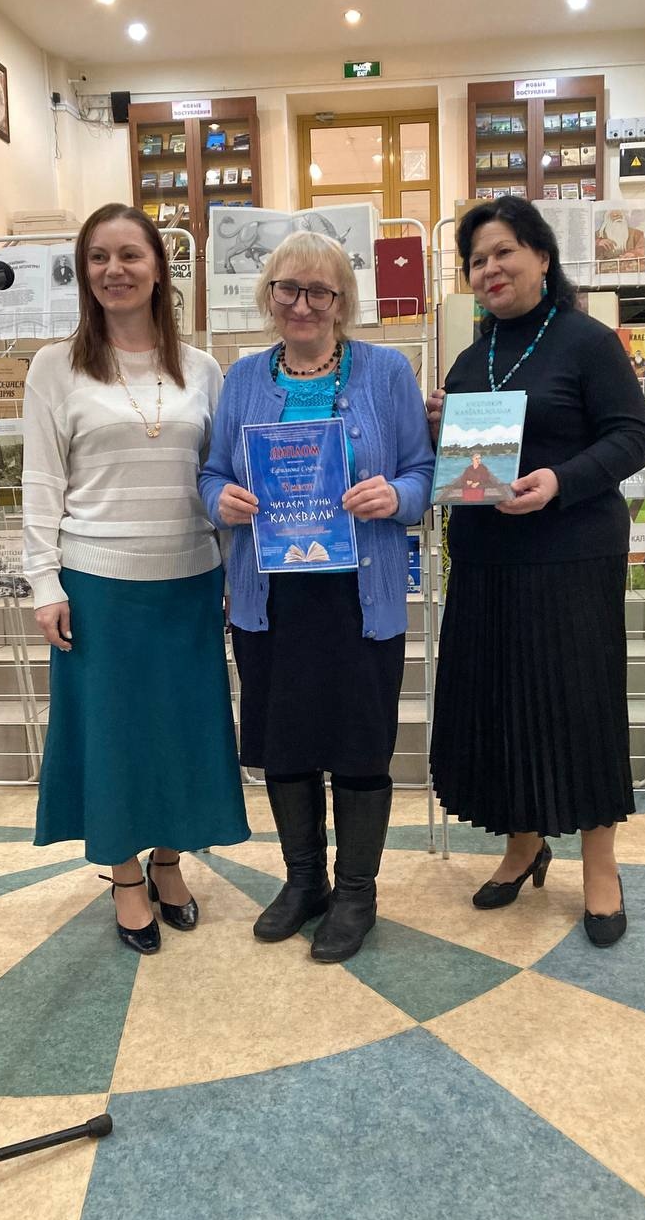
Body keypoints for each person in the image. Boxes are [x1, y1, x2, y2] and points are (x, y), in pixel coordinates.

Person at [200, 230, 434, 963]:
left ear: (342, 301)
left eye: (319, 292)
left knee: (361, 746)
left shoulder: (386, 372)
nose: (301, 305)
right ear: (267, 294)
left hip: (360, 600)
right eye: (287, 289)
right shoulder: (243, 378)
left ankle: (356, 892)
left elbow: (423, 472)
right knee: (285, 743)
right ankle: (304, 881)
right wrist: (221, 501)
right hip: (270, 599)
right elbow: (211, 473)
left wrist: (395, 495)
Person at [22, 202, 249, 955]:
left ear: (159, 268)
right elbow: (41, 482)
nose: (114, 270)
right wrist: (44, 582)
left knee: (183, 730)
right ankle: (124, 874)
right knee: (112, 736)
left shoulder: (204, 369)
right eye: (98, 257)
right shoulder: (56, 366)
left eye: (130, 255)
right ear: (83, 272)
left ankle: (169, 862)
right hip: (98, 584)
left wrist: (233, 569)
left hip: (189, 580)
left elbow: (218, 476)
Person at [427, 196, 645, 947]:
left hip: (572, 556)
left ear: (543, 257)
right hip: (487, 561)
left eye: (503, 252)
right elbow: (470, 467)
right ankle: (523, 846)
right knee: (501, 707)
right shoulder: (471, 359)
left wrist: (559, 481)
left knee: (580, 708)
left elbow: (632, 437)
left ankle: (600, 865)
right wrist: (443, 428)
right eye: (476, 260)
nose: (489, 269)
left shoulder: (587, 341)